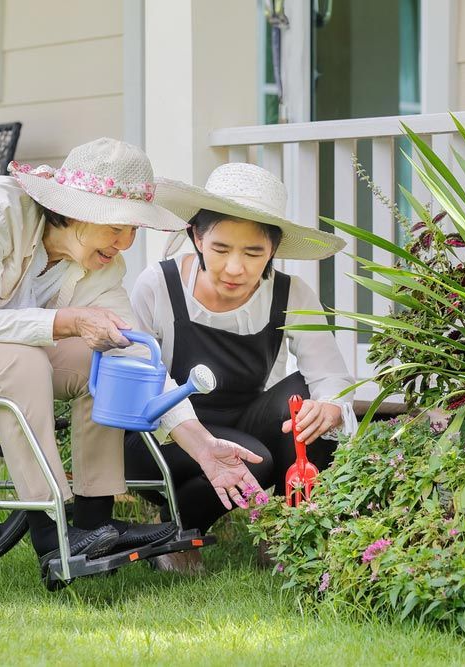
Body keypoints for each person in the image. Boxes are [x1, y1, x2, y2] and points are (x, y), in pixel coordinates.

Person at [0, 138, 264, 576]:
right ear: (75, 211)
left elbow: (138, 355)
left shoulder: (101, 264)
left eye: (134, 230)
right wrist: (67, 321)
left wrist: (202, 444)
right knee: (26, 359)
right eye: (117, 227)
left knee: (109, 362)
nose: (125, 242)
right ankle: (52, 531)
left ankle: (94, 520)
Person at [125, 162, 357, 571]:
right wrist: (196, 438)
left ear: (274, 249)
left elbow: (330, 376)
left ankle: (292, 534)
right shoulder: (158, 285)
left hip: (244, 421)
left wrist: (331, 408)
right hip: (162, 436)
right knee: (256, 459)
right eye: (220, 249)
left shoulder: (291, 293)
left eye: (253, 253)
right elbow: (141, 381)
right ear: (196, 236)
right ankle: (179, 531)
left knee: (307, 401)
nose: (236, 268)